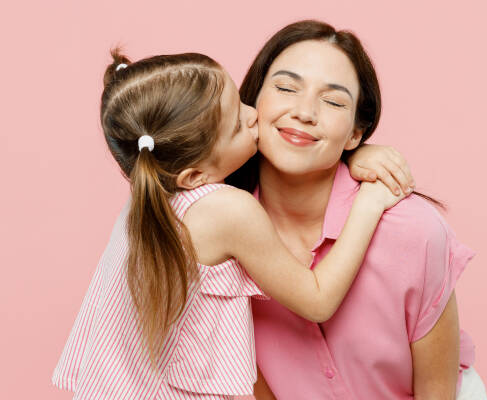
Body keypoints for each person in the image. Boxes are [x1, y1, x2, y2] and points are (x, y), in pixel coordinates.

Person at [51, 51, 413, 400]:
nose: (254, 115)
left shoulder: (150, 192)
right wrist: (369, 201)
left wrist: (353, 152)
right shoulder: (227, 210)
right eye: (239, 124)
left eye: (239, 101)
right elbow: (316, 300)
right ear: (195, 175)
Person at [225, 20, 487, 399]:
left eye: (332, 101)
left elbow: (437, 391)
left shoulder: (411, 229)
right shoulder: (217, 239)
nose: (304, 112)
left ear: (355, 132)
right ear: (251, 105)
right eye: (285, 88)